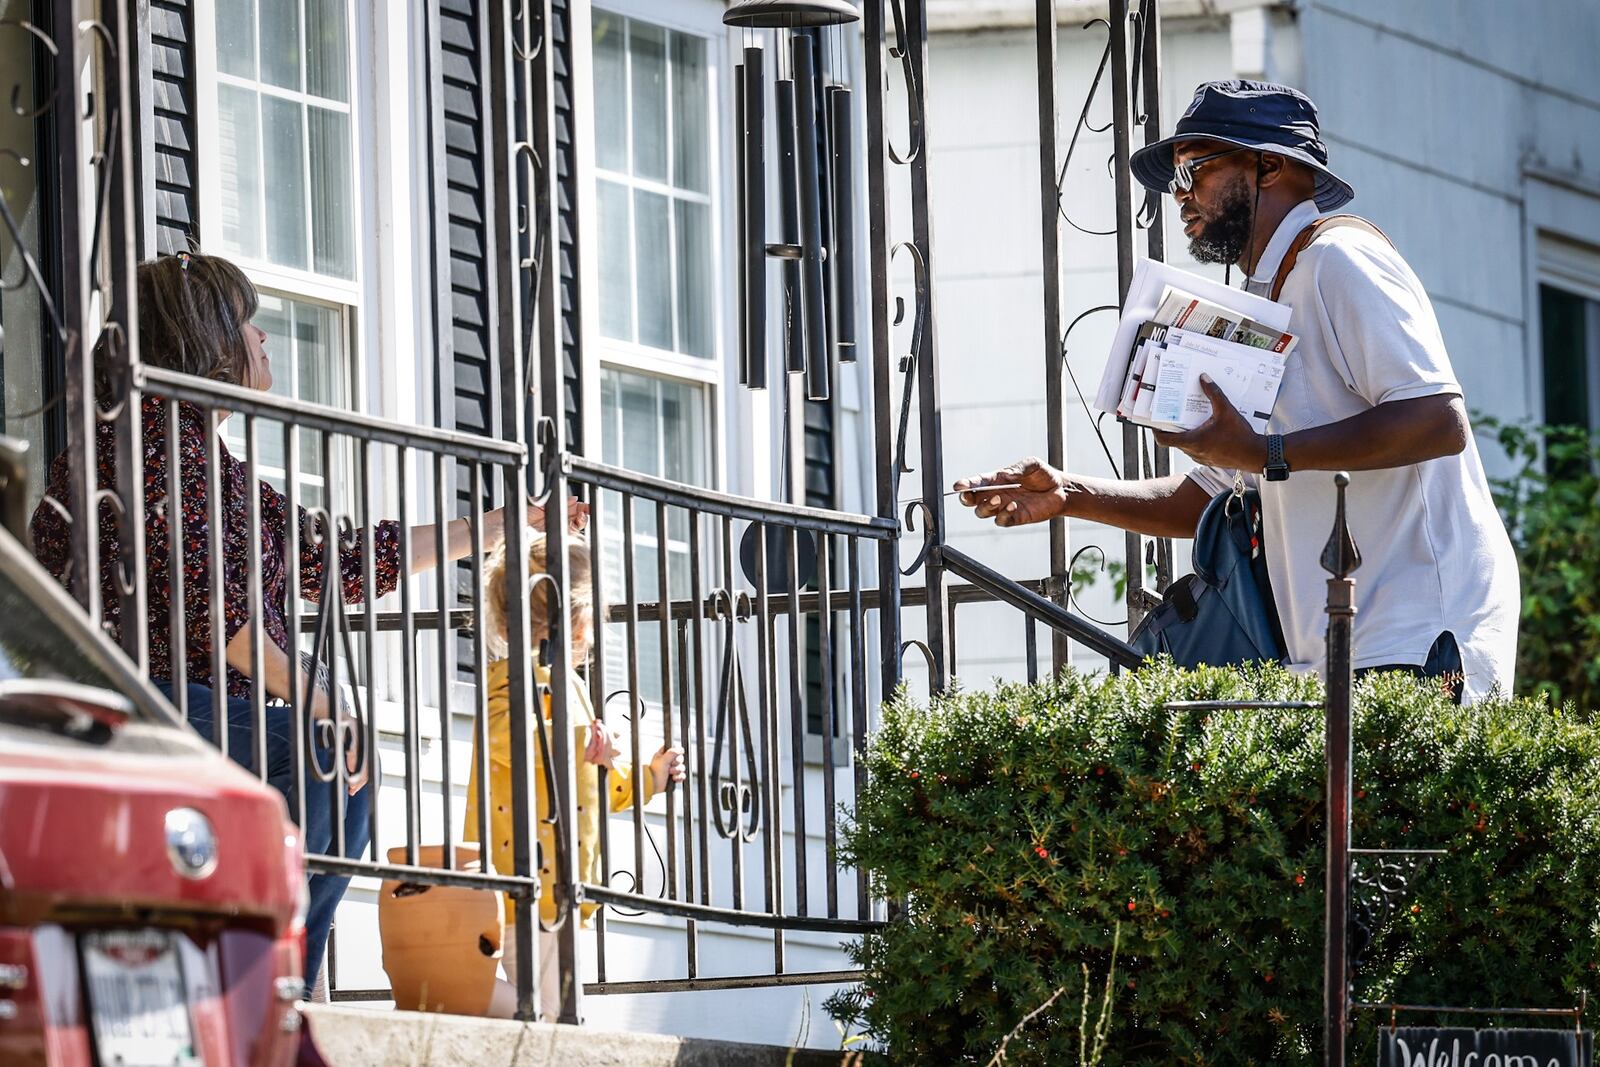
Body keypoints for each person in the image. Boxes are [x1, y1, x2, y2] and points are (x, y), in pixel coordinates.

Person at [28, 251, 585, 988]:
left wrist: (489, 528)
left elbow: (337, 556)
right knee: (325, 754)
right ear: (207, 343)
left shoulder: (204, 460)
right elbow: (219, 620)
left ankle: (265, 969)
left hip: (188, 705)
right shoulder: (158, 449)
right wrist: (326, 703)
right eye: (248, 325)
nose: (265, 341)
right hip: (135, 704)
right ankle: (273, 980)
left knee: (328, 760)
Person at [956, 80, 1519, 704]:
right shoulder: (1266, 300)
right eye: (1175, 179)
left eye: (1194, 170)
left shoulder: (1342, 259)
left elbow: (1437, 420)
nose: (1180, 196)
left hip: (1418, 636)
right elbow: (1213, 493)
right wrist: (1071, 495)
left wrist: (1269, 452)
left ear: (1270, 165)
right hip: (1341, 651)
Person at [464, 531, 684, 1019]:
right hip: (521, 879)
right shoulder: (511, 676)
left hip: (563, 884)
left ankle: (462, 997)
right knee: (547, 1012)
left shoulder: (572, 686)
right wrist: (580, 738)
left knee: (556, 1010)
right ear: (583, 624)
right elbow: (507, 737)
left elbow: (592, 782)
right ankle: (454, 995)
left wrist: (648, 776)